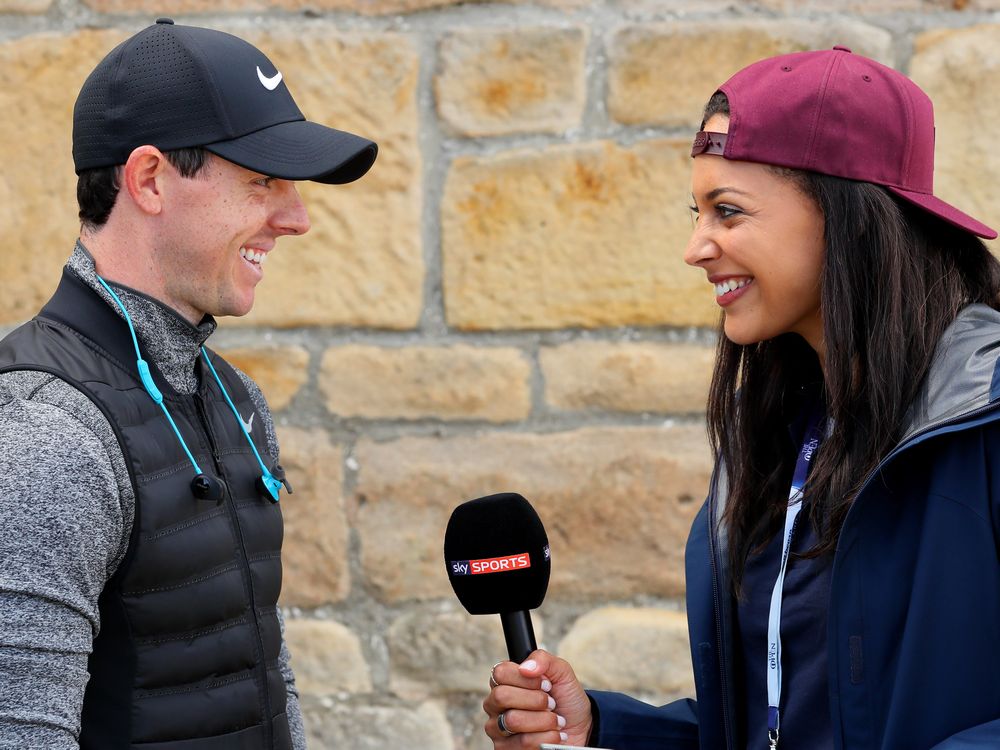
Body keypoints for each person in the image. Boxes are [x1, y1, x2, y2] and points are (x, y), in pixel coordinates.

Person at [482, 46, 1000, 750]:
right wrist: (604, 727)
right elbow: (780, 725)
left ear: (848, 219)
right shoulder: (788, 434)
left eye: (727, 211)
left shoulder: (983, 413)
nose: (696, 246)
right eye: (696, 212)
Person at [0, 19, 376, 749]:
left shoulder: (235, 400)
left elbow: (265, 678)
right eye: (262, 180)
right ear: (148, 180)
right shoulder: (43, 431)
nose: (295, 218)